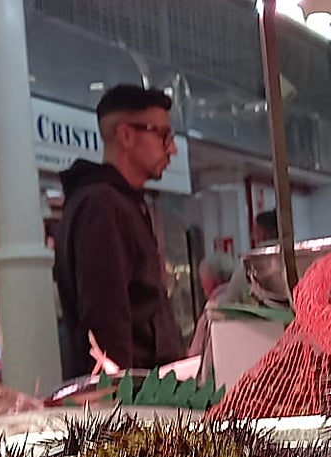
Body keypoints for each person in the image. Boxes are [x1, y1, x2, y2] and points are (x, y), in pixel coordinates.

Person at [53, 84, 186, 378]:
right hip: (131, 402)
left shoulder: (119, 202)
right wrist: (117, 406)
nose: (172, 148)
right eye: (163, 135)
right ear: (126, 135)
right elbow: (105, 317)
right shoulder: (102, 205)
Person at [187, 250, 240, 358]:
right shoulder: (245, 302)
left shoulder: (211, 312)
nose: (202, 286)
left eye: (203, 281)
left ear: (214, 281)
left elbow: (195, 356)